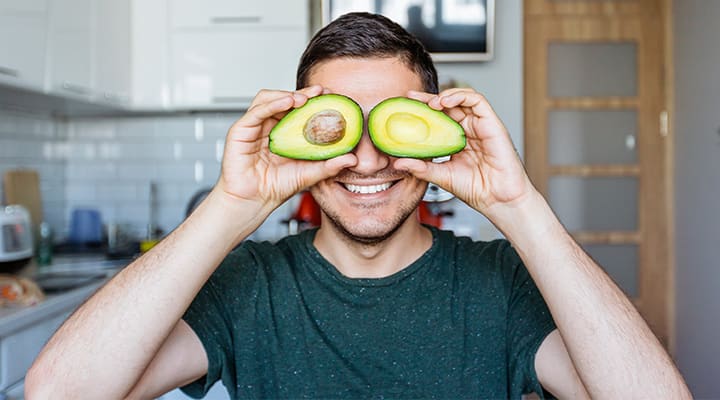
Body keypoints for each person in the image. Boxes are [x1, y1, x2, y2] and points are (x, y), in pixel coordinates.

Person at [26, 12, 690, 400]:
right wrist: (232, 204)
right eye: (338, 132)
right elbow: (56, 393)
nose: (367, 162)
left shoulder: (501, 283)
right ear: (299, 140)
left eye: (392, 131)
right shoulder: (246, 286)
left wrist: (518, 205)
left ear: (433, 140)